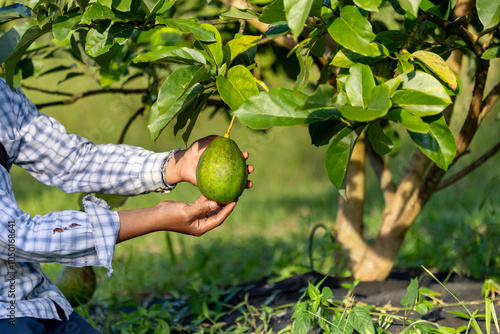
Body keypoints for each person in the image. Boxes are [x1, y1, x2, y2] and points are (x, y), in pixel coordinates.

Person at [0, 77, 253, 333]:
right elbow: (16, 238)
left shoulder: (2, 95)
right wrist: (157, 217)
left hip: (37, 303)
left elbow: (73, 161)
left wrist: (177, 165)